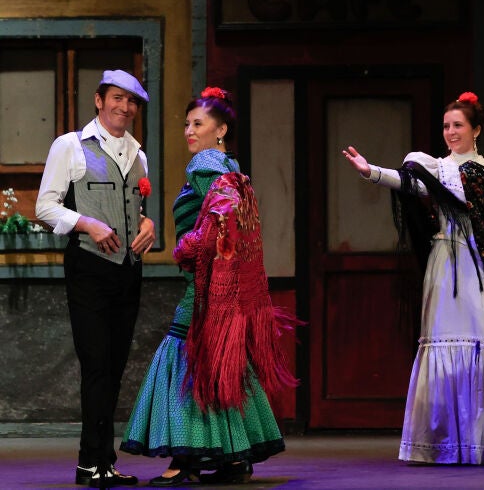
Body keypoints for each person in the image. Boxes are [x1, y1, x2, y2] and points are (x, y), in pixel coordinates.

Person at [343, 91, 484, 466]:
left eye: (458, 125)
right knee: (445, 341)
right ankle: (448, 442)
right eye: (446, 126)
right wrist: (370, 171)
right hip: (448, 264)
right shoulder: (438, 169)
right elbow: (408, 183)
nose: (451, 132)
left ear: (476, 129)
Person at [120, 87, 298, 486]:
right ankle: (234, 460)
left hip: (204, 288)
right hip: (223, 287)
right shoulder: (230, 166)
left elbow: (225, 215)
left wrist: (188, 245)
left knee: (185, 355)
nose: (189, 131)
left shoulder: (205, 165)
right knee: (218, 360)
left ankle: (184, 458)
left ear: (221, 130)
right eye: (187, 124)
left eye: (198, 124)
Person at [36, 69, 156, 488]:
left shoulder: (138, 155)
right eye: (118, 98)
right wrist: (87, 223)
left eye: (132, 101)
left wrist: (147, 223)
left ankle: (105, 460)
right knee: (97, 365)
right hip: (89, 267)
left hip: (128, 270)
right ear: (99, 100)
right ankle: (90, 462)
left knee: (116, 367)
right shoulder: (70, 145)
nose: (125, 107)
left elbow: (131, 208)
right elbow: (46, 207)